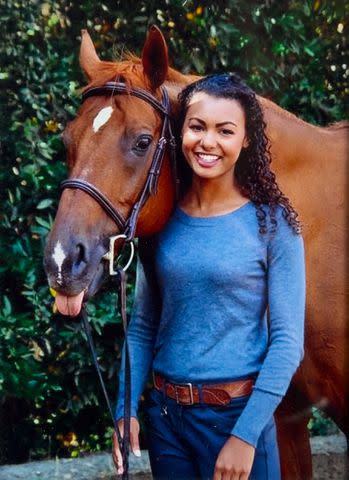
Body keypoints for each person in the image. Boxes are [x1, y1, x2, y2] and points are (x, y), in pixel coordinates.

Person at [112, 73, 305, 480]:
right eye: (197, 126)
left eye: (225, 130)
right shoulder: (162, 223)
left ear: (246, 139)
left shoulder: (274, 226)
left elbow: (288, 345)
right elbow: (144, 327)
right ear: (181, 130)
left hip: (236, 419)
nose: (208, 142)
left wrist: (245, 436)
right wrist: (125, 408)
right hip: (167, 421)